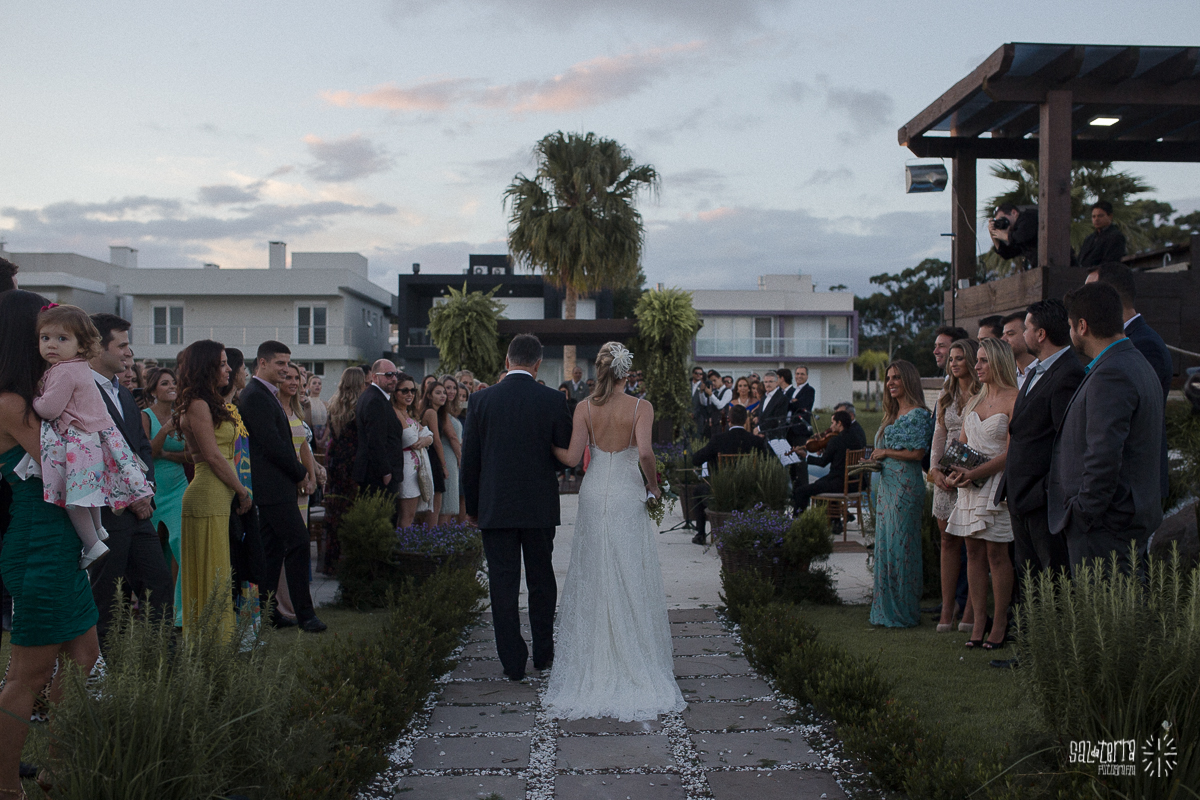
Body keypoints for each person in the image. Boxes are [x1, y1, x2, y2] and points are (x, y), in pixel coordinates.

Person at [545, 341, 684, 721]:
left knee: (594, 570)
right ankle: (633, 657)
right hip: (625, 492)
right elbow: (644, 453)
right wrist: (653, 486)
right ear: (627, 372)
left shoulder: (584, 407)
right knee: (628, 569)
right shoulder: (641, 407)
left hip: (594, 492)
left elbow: (573, 459)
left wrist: (544, 445)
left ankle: (594, 659)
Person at [1, 291, 102, 798]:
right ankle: (5, 786)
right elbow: (61, 467)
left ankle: (57, 769)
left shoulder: (40, 392)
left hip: (62, 536)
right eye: (45, 333)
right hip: (39, 538)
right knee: (30, 671)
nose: (53, 341)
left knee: (84, 654)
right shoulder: (12, 403)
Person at [462, 335, 572, 682]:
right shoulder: (554, 400)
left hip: (496, 506)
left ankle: (512, 663)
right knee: (541, 580)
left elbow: (471, 461)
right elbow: (564, 456)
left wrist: (473, 506)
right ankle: (543, 654)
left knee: (503, 584)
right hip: (539, 505)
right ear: (538, 364)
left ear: (507, 360)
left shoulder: (480, 401)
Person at [1048, 283, 1163, 573]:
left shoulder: (1112, 372)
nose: (1070, 332)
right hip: (1116, 522)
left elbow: (1104, 455)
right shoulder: (1132, 361)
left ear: (1082, 326)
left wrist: (1083, 514)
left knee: (1106, 615)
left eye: (1071, 325)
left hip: (1106, 528)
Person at [32, 305, 153, 568]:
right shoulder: (78, 368)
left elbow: (49, 409)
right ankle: (99, 530)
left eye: (62, 339)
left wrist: (35, 399)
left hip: (79, 442)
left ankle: (92, 543)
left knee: (75, 499)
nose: (52, 345)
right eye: (45, 338)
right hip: (93, 439)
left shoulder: (65, 371)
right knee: (91, 493)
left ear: (82, 343)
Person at [86, 313, 174, 644]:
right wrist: (129, 497)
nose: (128, 352)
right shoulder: (80, 391)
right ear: (97, 346)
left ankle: (164, 659)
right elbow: (91, 454)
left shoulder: (123, 395)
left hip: (140, 511)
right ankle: (100, 673)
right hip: (107, 512)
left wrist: (145, 491)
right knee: (107, 595)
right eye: (121, 345)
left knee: (159, 583)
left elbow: (141, 449)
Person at [240, 341, 326, 632]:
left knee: (273, 549)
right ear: (262, 363)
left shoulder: (267, 395)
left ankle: (267, 611)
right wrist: (301, 472)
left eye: (288, 363)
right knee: (299, 543)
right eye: (279, 363)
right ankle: (305, 614)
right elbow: (273, 445)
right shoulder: (255, 396)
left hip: (278, 484)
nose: (285, 369)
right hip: (272, 486)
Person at [996, 299, 1084, 585]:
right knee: (1028, 578)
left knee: (1052, 580)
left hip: (1041, 500)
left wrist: (1045, 490)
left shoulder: (1068, 373)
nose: (1022, 335)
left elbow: (1067, 441)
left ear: (1041, 334)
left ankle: (1052, 632)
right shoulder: (1034, 371)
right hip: (1020, 495)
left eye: (1027, 329)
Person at [946, 338, 1019, 650]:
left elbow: (1011, 453)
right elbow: (961, 445)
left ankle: (1000, 623)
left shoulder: (1016, 399)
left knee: (996, 554)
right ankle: (978, 620)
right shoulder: (975, 400)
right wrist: (950, 470)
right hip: (969, 487)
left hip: (996, 486)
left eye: (983, 361)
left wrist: (974, 473)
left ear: (1000, 362)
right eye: (977, 360)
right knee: (972, 553)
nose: (977, 366)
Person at [175, 340, 246, 637]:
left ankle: (218, 637)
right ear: (207, 367)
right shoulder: (197, 403)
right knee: (211, 571)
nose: (228, 368)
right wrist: (242, 492)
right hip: (208, 492)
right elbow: (212, 456)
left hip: (219, 492)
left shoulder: (210, 401)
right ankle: (211, 640)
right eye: (222, 363)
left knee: (220, 568)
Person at [1087, 262, 1172, 498]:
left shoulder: (1144, 345)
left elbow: (1129, 420)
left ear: (1109, 297)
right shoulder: (1124, 341)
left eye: (1089, 293)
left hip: (1132, 488)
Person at [866, 360, 934, 628]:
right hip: (885, 487)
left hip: (906, 488)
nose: (891, 382)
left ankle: (903, 612)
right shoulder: (890, 415)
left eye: (896, 378)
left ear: (908, 380)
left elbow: (917, 454)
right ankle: (884, 610)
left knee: (902, 546)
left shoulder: (917, 414)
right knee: (885, 546)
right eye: (888, 378)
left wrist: (886, 452)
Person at [927, 339, 980, 633]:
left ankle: (971, 607)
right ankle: (948, 607)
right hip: (944, 472)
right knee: (947, 539)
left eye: (960, 358)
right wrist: (934, 470)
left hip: (971, 470)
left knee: (974, 543)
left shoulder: (983, 391)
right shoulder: (945, 395)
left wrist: (964, 471)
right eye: (952, 359)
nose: (954, 363)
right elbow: (938, 434)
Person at [272, 363, 321, 622]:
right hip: (283, 484)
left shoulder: (297, 410)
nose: (293, 382)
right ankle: (282, 605)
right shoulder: (273, 408)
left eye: (297, 378)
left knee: (298, 546)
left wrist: (312, 476)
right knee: (285, 547)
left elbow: (303, 447)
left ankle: (295, 601)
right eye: (287, 377)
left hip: (302, 488)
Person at [141, 367, 189, 627]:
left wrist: (168, 455)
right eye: (164, 383)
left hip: (179, 485)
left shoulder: (183, 416)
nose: (171, 387)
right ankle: (154, 609)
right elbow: (146, 451)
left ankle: (179, 615)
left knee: (180, 545)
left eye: (174, 383)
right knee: (154, 551)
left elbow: (191, 455)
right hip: (154, 489)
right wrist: (166, 429)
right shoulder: (146, 416)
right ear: (152, 390)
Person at [689, 405, 770, 545]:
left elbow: (696, 459)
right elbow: (767, 462)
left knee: (698, 491)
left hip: (720, 493)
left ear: (728, 419)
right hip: (749, 490)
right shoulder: (756, 441)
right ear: (745, 420)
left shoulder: (718, 439)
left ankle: (701, 534)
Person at [321, 368, 366, 572]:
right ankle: (350, 558)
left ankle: (332, 558)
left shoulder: (334, 403)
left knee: (336, 509)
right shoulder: (361, 405)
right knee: (353, 507)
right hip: (353, 458)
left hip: (336, 457)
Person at [352, 359, 404, 498]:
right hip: (377, 477)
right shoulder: (375, 400)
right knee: (383, 517)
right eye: (388, 375)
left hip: (379, 474)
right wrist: (385, 472)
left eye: (395, 374)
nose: (393, 379)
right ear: (374, 377)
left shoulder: (377, 397)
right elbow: (375, 440)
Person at [792, 410, 856, 513]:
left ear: (839, 423)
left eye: (832, 423)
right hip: (855, 483)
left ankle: (796, 521)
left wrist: (805, 455)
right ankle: (834, 522)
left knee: (800, 491)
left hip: (839, 483)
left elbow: (822, 462)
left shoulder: (835, 440)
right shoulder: (855, 437)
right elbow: (839, 454)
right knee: (819, 484)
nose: (831, 427)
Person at [393, 374, 433, 528]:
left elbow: (429, 435)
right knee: (406, 515)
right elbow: (410, 438)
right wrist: (423, 439)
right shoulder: (395, 411)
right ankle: (403, 549)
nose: (409, 394)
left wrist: (424, 440)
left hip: (416, 467)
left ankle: (406, 546)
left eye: (412, 390)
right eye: (404, 391)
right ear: (395, 393)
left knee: (412, 515)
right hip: (405, 467)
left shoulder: (408, 413)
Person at [417, 380, 448, 521]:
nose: (443, 396)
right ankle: (431, 538)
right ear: (429, 395)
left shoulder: (436, 412)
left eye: (444, 393)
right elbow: (437, 441)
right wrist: (444, 466)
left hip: (429, 456)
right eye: (438, 393)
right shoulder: (431, 412)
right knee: (435, 502)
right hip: (432, 457)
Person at [440, 376, 464, 524]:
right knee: (446, 505)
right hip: (448, 457)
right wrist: (462, 459)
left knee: (451, 506)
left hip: (453, 459)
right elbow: (452, 437)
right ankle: (441, 542)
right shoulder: (442, 412)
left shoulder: (450, 411)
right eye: (448, 387)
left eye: (454, 388)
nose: (452, 391)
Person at [1076, 201, 1126, 269]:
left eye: (1100, 216)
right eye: (1094, 216)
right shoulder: (1089, 238)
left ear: (1110, 216)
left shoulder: (1116, 237)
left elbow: (1110, 262)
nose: (1096, 219)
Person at [988, 202, 1038, 269]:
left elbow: (1022, 235)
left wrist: (1006, 236)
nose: (1001, 223)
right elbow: (1008, 253)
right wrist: (994, 236)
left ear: (1014, 213)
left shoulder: (1027, 217)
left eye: (1002, 219)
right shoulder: (1015, 232)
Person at [1000, 313, 1036, 389]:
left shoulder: (1044, 371)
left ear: (1026, 333)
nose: (1003, 339)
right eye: (1003, 334)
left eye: (1010, 334)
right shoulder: (1007, 378)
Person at [305, 374, 329, 455]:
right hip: (311, 434)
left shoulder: (325, 404)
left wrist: (323, 439)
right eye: (314, 383)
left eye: (319, 383)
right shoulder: (306, 403)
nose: (317, 385)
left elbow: (329, 423)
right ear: (308, 386)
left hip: (323, 435)